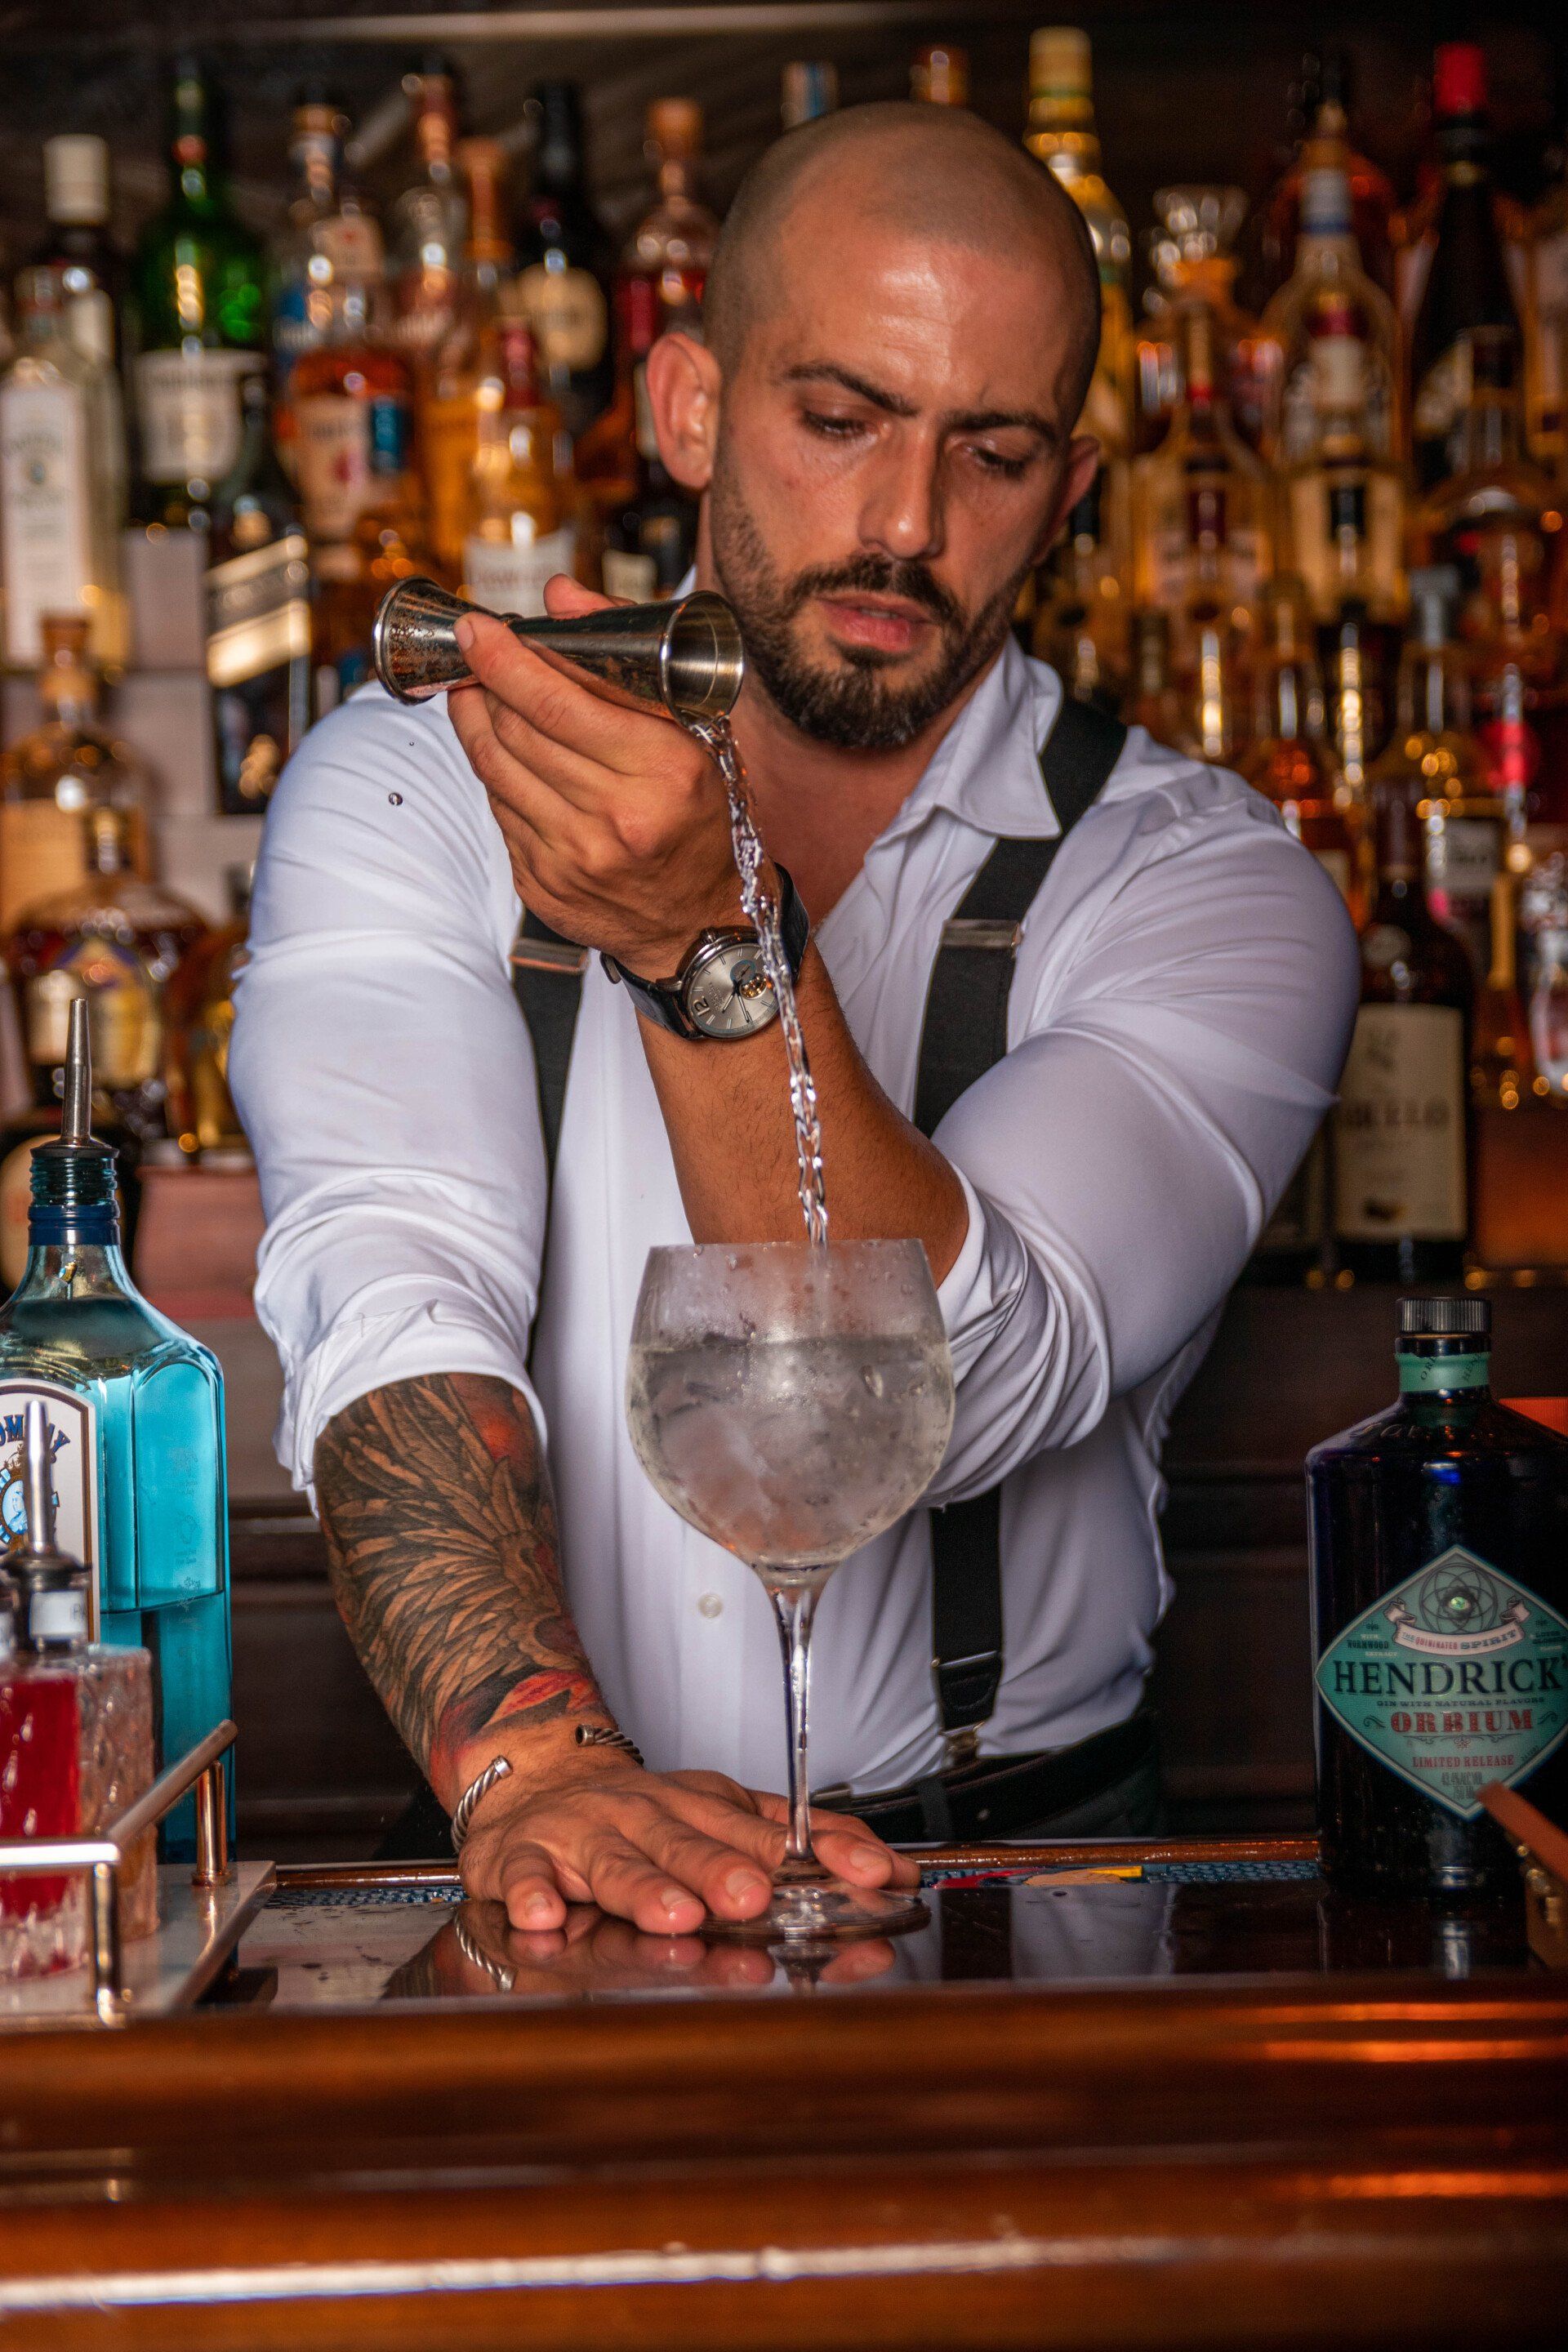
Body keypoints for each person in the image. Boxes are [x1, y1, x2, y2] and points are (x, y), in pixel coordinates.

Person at [231, 104, 1358, 1936]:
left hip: (1029, 1895)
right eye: (837, 421)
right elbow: (390, 1286)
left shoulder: (1205, 884)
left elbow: (958, 1395)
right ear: (688, 407)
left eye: (989, 454)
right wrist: (538, 1763)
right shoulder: (415, 783)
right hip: (546, 1857)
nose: (905, 524)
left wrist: (709, 945)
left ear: (1070, 495)